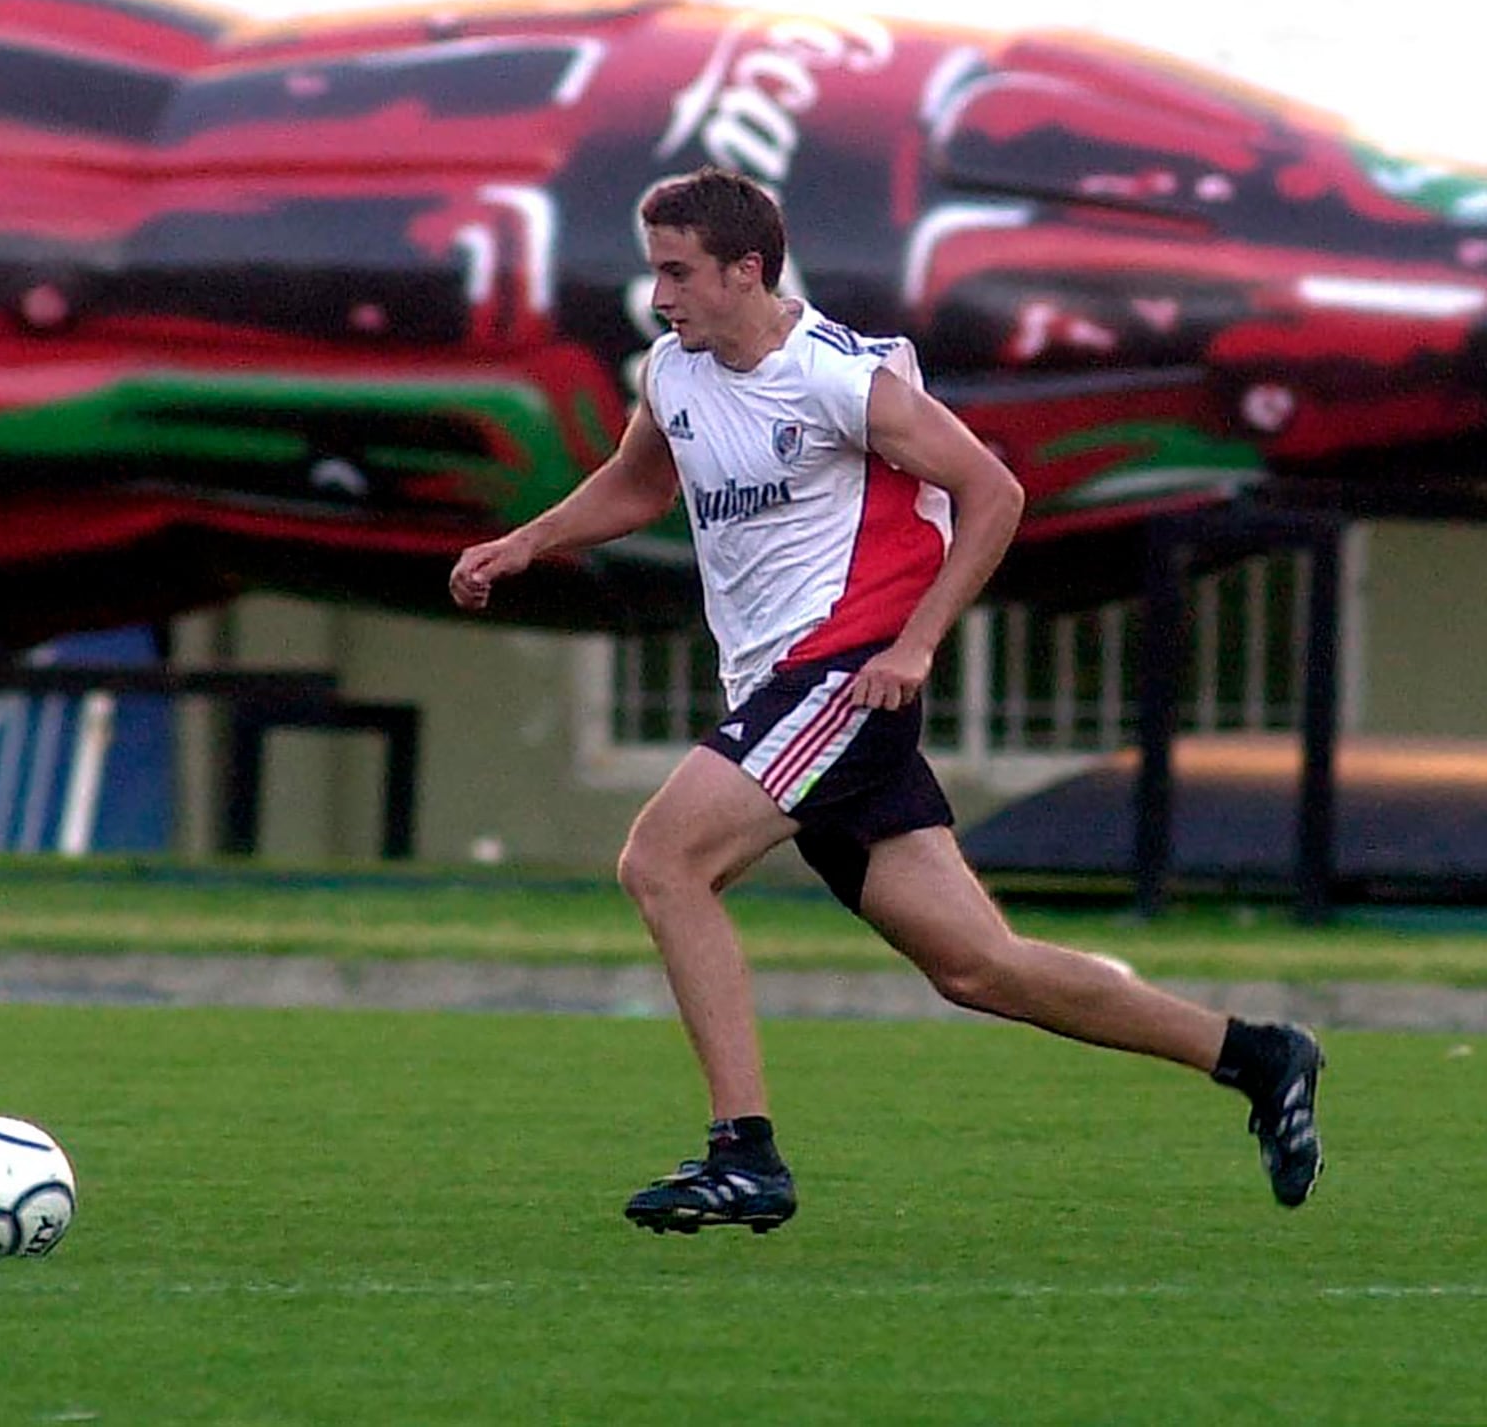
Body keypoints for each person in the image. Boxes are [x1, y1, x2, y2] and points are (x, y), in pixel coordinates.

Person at [448, 166, 1324, 1234]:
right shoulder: (674, 373)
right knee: (980, 968)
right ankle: (1257, 1055)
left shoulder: (836, 377)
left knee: (663, 860)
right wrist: (526, 541)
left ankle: (744, 1152)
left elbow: (993, 490)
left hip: (844, 676)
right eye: (655, 272)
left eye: (678, 273)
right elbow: (641, 482)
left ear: (746, 270)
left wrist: (916, 644)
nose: (660, 296)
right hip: (789, 693)